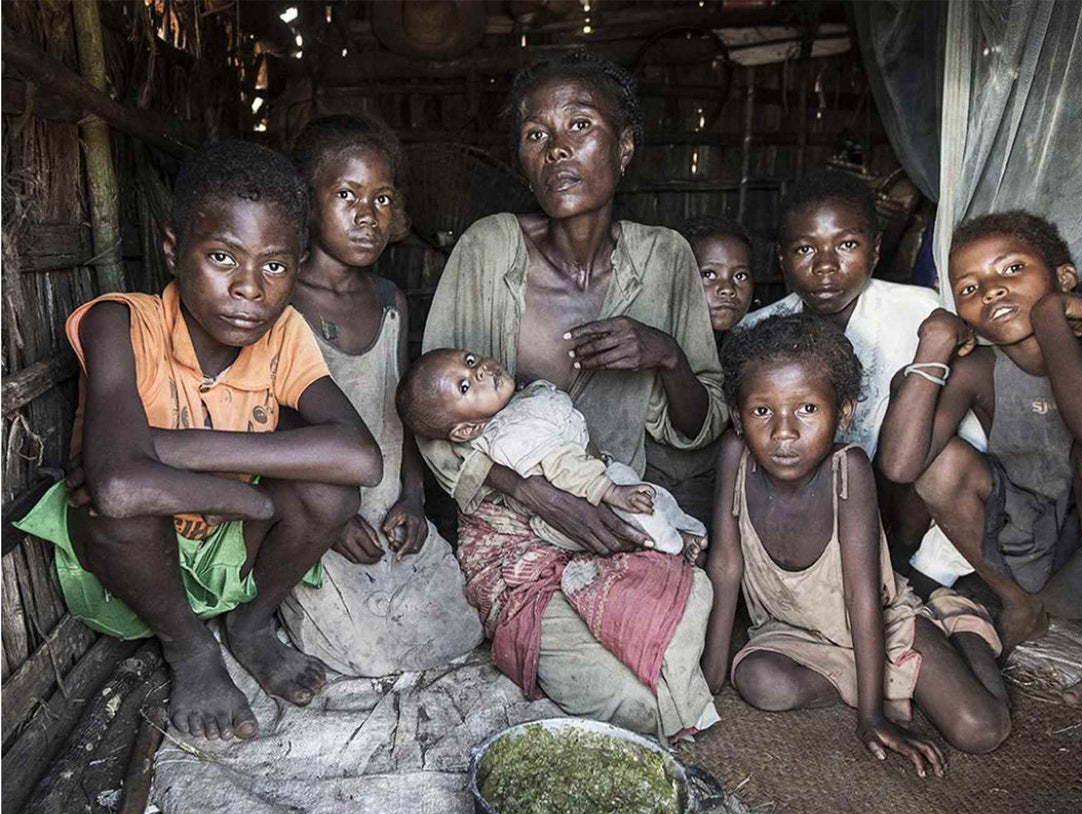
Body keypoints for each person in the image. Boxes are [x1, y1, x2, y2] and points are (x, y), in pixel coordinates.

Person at [12, 142, 383, 740]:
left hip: (231, 547)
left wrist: (163, 447)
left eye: (275, 265)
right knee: (110, 508)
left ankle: (252, 625)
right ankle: (190, 649)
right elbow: (119, 487)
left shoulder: (283, 334)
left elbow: (361, 458)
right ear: (171, 249)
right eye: (221, 257)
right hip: (136, 566)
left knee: (331, 496)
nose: (250, 289)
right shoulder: (121, 323)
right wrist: (252, 499)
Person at [417, 50, 726, 741]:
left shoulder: (667, 257)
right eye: (535, 134)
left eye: (580, 125)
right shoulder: (490, 248)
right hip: (512, 543)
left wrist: (666, 354)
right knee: (634, 704)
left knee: (682, 623)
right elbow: (433, 418)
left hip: (619, 528)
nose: (556, 148)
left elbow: (701, 424)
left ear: (624, 146)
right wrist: (534, 492)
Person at [878, 211, 1082, 710]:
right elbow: (899, 465)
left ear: (1064, 280)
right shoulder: (978, 367)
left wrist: (1050, 320)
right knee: (938, 465)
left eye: (1012, 269)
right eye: (970, 287)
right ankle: (1022, 606)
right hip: (1033, 549)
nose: (993, 291)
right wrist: (933, 345)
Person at [702, 314, 1009, 775]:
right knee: (758, 681)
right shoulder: (734, 456)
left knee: (981, 730)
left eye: (806, 409)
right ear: (738, 418)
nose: (783, 432)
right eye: (762, 411)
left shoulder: (849, 470)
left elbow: (860, 595)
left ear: (842, 413)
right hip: (795, 631)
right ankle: (882, 682)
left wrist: (872, 716)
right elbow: (725, 566)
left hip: (879, 623)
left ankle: (962, 625)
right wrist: (709, 673)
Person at [279, 115, 481, 676]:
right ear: (305, 200)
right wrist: (333, 524)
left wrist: (413, 500)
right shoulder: (280, 299)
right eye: (346, 194)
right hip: (314, 522)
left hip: (390, 514)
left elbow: (405, 411)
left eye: (383, 197)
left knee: (459, 626)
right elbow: (267, 431)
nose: (368, 215)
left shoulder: (391, 298)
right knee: (364, 655)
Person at [736, 170, 986, 590]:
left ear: (874, 252)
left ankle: (911, 572)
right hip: (811, 523)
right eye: (804, 249)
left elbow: (965, 452)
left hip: (906, 518)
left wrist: (932, 567)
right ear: (781, 260)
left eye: (847, 245)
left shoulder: (921, 314)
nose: (826, 266)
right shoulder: (758, 332)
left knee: (914, 410)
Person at [398, 348, 708, 560]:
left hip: (598, 475)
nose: (478, 371)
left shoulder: (519, 405)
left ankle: (684, 530)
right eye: (464, 387)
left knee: (653, 498)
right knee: (636, 515)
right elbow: (562, 466)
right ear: (466, 431)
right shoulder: (509, 435)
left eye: (469, 360)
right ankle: (675, 548)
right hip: (585, 494)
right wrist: (611, 490)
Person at [642, 215, 755, 530]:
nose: (727, 289)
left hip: (716, 494)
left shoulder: (754, 350)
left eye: (741, 276)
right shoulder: (652, 340)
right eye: (708, 274)